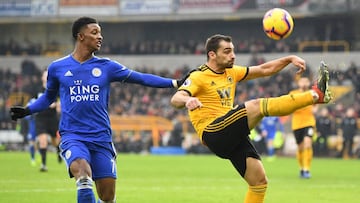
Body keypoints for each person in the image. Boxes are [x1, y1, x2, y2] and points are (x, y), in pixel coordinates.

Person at [10, 16, 188, 203]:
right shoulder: (57, 68)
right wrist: (27, 110)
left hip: (101, 137)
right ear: (80, 36)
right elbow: (48, 98)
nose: (100, 37)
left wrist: (174, 83)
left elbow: (140, 78)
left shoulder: (107, 67)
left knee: (107, 197)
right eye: (94, 33)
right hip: (73, 135)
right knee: (84, 178)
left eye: (100, 33)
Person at [170, 34, 332, 203]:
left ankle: (316, 95)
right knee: (256, 105)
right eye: (226, 51)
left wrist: (289, 58)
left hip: (229, 134)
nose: (232, 55)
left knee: (259, 182)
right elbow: (175, 99)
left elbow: (264, 70)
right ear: (212, 55)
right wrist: (188, 100)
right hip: (212, 131)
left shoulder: (231, 72)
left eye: (233, 51)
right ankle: (315, 95)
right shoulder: (198, 76)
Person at [289, 77, 318, 179]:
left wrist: (315, 109)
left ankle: (306, 169)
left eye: (306, 81)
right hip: (297, 124)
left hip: (309, 122)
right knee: (300, 147)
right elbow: (289, 107)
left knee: (307, 143)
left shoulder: (313, 93)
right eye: (302, 81)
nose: (304, 83)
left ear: (309, 83)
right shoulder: (293, 93)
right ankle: (301, 168)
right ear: (298, 83)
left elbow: (315, 107)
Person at [35, 69, 62, 172]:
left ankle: (58, 151)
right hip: (40, 118)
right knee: (43, 141)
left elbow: (60, 102)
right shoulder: (37, 90)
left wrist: (56, 105)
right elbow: (33, 102)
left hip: (52, 118)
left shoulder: (55, 89)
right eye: (44, 75)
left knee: (55, 140)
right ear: (42, 77)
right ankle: (43, 164)